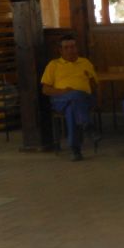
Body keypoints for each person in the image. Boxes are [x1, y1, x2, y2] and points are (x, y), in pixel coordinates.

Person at [40, 33, 99, 162]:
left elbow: (94, 85)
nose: (70, 50)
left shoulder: (85, 62)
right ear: (60, 50)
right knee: (73, 98)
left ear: (77, 48)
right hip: (60, 99)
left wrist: (90, 88)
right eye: (66, 48)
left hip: (83, 99)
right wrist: (62, 91)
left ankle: (76, 149)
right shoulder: (53, 65)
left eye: (72, 47)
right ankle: (87, 126)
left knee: (73, 106)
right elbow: (45, 89)